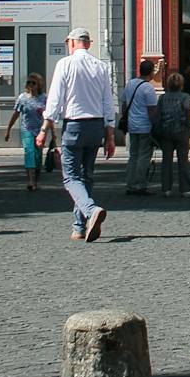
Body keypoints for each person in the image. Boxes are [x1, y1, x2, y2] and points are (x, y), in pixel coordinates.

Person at [39, 27, 115, 241]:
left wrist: (44, 129)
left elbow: (55, 100)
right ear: (88, 44)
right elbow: (108, 102)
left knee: (71, 177)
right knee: (86, 176)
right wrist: (110, 135)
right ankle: (79, 226)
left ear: (71, 43)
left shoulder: (65, 64)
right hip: (96, 126)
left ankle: (91, 211)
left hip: (74, 125)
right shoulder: (101, 66)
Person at [119, 57, 159, 194]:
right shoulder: (148, 88)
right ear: (151, 72)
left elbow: (124, 105)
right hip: (145, 126)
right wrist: (155, 125)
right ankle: (140, 184)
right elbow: (151, 110)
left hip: (132, 126)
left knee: (133, 155)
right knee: (144, 156)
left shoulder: (130, 84)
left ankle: (130, 183)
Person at [154, 71, 190, 196]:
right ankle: (185, 188)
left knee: (166, 160)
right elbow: (187, 112)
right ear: (181, 84)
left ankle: (166, 188)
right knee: (183, 161)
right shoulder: (185, 96)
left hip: (166, 131)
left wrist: (156, 130)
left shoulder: (162, 97)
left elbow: (157, 115)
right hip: (181, 131)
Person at [4, 72, 46, 190]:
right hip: (26, 129)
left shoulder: (44, 98)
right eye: (29, 82)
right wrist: (8, 129)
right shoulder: (22, 98)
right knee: (29, 152)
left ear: (39, 85)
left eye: (33, 83)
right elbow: (16, 114)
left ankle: (36, 180)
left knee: (37, 156)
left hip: (40, 130)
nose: (31, 85)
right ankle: (30, 181)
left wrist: (52, 132)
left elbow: (48, 117)